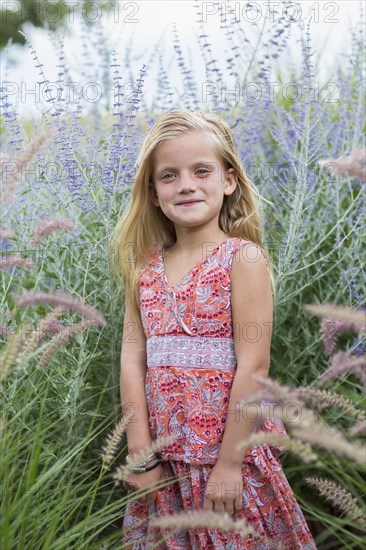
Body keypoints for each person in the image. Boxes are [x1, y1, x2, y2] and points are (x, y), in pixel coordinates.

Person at [110, 110, 317, 549]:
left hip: (226, 459)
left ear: (228, 180)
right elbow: (132, 360)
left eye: (201, 171)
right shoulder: (145, 268)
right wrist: (140, 451)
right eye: (169, 176)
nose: (186, 184)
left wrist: (229, 465)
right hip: (164, 464)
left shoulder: (242, 260)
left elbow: (254, 364)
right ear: (152, 193)